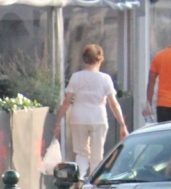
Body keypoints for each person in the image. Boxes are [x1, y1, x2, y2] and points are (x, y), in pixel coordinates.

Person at [53, 44, 129, 179]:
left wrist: (58, 122)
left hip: (78, 117)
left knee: (81, 153)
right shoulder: (105, 79)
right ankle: (94, 183)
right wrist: (122, 124)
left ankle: (80, 178)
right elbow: (113, 103)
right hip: (98, 117)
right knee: (97, 155)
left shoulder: (76, 77)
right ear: (99, 60)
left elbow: (66, 102)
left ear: (84, 59)